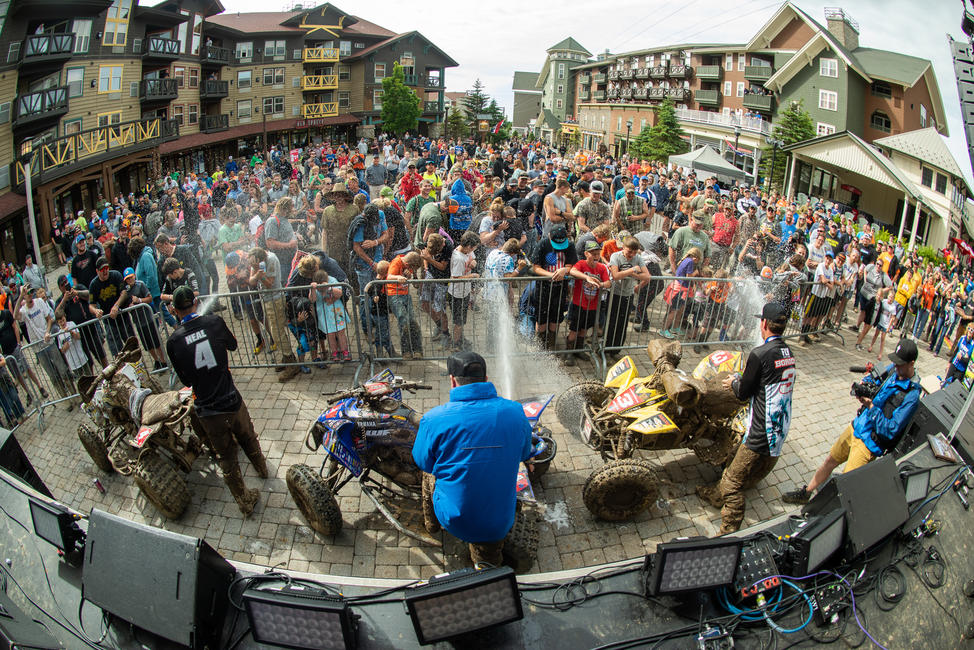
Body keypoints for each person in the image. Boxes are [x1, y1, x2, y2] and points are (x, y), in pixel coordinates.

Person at [413, 351, 533, 567]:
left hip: (454, 520)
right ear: (486, 379)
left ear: (452, 380)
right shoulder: (515, 411)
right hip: (500, 523)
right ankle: (488, 568)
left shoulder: (433, 419)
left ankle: (431, 525)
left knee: (427, 475)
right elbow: (525, 453)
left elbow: (423, 462)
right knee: (489, 561)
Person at [166, 286, 268, 516]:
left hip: (207, 409)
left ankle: (244, 501)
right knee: (248, 436)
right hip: (231, 398)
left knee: (226, 457)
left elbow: (185, 379)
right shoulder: (214, 322)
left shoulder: (173, 342)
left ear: (174, 310)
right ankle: (262, 469)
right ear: (196, 302)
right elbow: (233, 345)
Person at [783, 339, 921, 505]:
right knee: (830, 461)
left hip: (868, 444)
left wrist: (871, 407)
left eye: (900, 364)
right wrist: (867, 383)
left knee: (844, 486)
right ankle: (806, 493)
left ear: (911, 363)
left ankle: (822, 513)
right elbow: (876, 379)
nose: (895, 366)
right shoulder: (893, 370)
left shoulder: (912, 396)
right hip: (857, 425)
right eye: (895, 362)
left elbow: (892, 429)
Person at [697, 303, 795, 534]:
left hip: (761, 430)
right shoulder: (788, 353)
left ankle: (729, 532)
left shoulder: (760, 354)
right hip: (780, 429)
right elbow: (765, 380)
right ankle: (714, 494)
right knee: (746, 471)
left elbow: (742, 393)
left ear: (764, 324)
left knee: (732, 482)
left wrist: (732, 382)